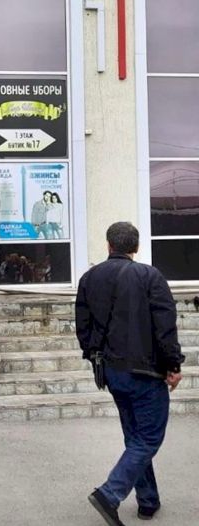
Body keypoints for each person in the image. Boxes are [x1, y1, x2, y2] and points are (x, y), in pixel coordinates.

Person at [75, 222, 184, 525]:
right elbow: (165, 327)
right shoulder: (149, 276)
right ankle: (109, 494)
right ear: (135, 247)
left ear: (109, 245)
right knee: (148, 438)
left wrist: (96, 358)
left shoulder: (89, 278)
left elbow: (83, 328)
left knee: (135, 437)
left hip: (112, 372)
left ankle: (148, 502)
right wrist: (173, 365)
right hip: (145, 372)